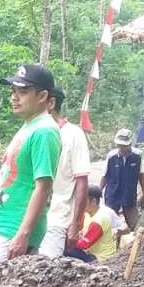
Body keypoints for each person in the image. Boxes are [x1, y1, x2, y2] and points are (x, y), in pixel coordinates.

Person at [0, 63, 61, 261]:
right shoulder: (30, 125)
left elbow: (43, 186)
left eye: (23, 91)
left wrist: (23, 234)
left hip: (16, 229)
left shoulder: (44, 131)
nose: (14, 97)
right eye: (13, 91)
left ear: (42, 96)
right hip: (6, 225)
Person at [39, 86, 91, 259]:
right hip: (31, 218)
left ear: (51, 103)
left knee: (46, 269)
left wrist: (75, 224)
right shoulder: (35, 133)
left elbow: (82, 182)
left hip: (57, 218)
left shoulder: (73, 134)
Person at [100, 128, 144, 229]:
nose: (121, 148)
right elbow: (105, 176)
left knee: (135, 225)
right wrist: (98, 192)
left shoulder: (137, 156)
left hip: (129, 194)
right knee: (109, 224)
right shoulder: (112, 156)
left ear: (129, 144)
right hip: (113, 194)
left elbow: (141, 175)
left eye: (124, 145)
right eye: (119, 145)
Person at [67, 185, 117, 263]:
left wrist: (68, 241)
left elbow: (84, 244)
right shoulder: (87, 214)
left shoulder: (99, 219)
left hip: (100, 258)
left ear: (93, 201)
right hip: (91, 251)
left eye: (84, 201)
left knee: (67, 250)